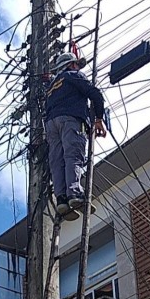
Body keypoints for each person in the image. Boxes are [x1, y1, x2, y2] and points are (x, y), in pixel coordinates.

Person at [45, 52, 107, 215]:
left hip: (51, 124)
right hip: (70, 119)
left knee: (57, 161)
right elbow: (95, 94)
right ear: (71, 65)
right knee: (73, 155)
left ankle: (61, 199)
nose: (78, 67)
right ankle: (74, 194)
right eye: (77, 65)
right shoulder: (73, 75)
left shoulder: (51, 87)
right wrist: (99, 119)